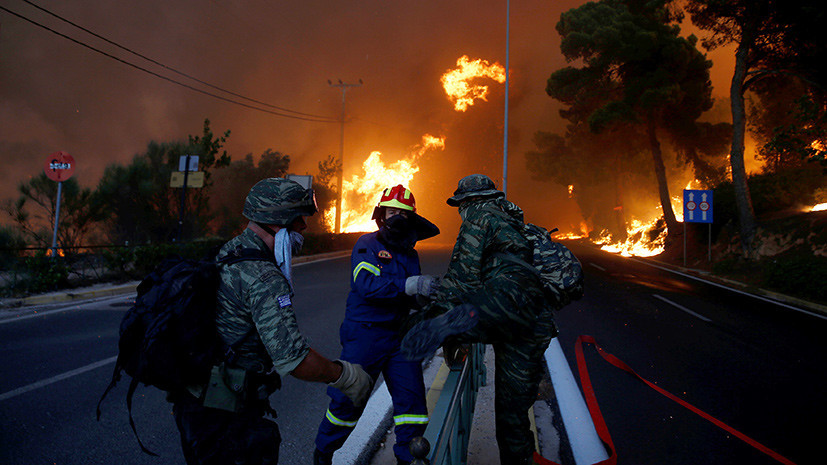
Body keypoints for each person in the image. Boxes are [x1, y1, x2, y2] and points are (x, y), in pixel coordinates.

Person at [171, 177, 374, 465]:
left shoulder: (229, 251)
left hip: (195, 405)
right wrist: (345, 376)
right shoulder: (265, 279)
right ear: (278, 223)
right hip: (226, 419)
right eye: (299, 220)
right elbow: (295, 361)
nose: (304, 227)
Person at [400, 174, 559, 465]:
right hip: (534, 320)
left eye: (460, 205)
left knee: (451, 314)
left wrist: (436, 316)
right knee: (513, 418)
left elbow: (463, 278)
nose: (460, 210)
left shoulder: (478, 216)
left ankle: (453, 327)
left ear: (467, 200)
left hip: (504, 299)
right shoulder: (515, 222)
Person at [313, 185, 441, 465]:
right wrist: (407, 285)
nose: (396, 216)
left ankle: (409, 457)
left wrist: (426, 296)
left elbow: (410, 296)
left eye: (402, 213)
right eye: (392, 211)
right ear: (381, 214)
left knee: (413, 402)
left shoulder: (410, 254)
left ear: (411, 218)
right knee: (348, 401)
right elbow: (366, 286)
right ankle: (323, 453)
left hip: (399, 337)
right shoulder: (367, 245)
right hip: (365, 335)